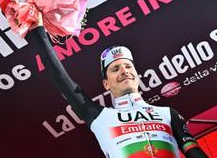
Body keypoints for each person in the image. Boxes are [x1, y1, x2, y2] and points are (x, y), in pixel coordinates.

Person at [29, 14, 209, 158]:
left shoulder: (168, 114)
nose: (124, 70)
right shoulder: (98, 116)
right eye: (115, 68)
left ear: (137, 77)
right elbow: (60, 77)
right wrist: (37, 29)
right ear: (106, 84)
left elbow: (195, 153)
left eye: (128, 66)